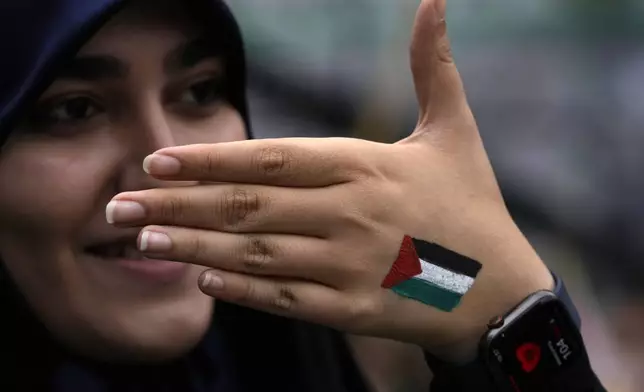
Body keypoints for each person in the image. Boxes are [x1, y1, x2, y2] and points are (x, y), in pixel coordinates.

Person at [0, 0, 607, 391]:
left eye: (200, 91)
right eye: (73, 110)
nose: (166, 171)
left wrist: (504, 314)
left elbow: (437, 284)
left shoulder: (276, 334)